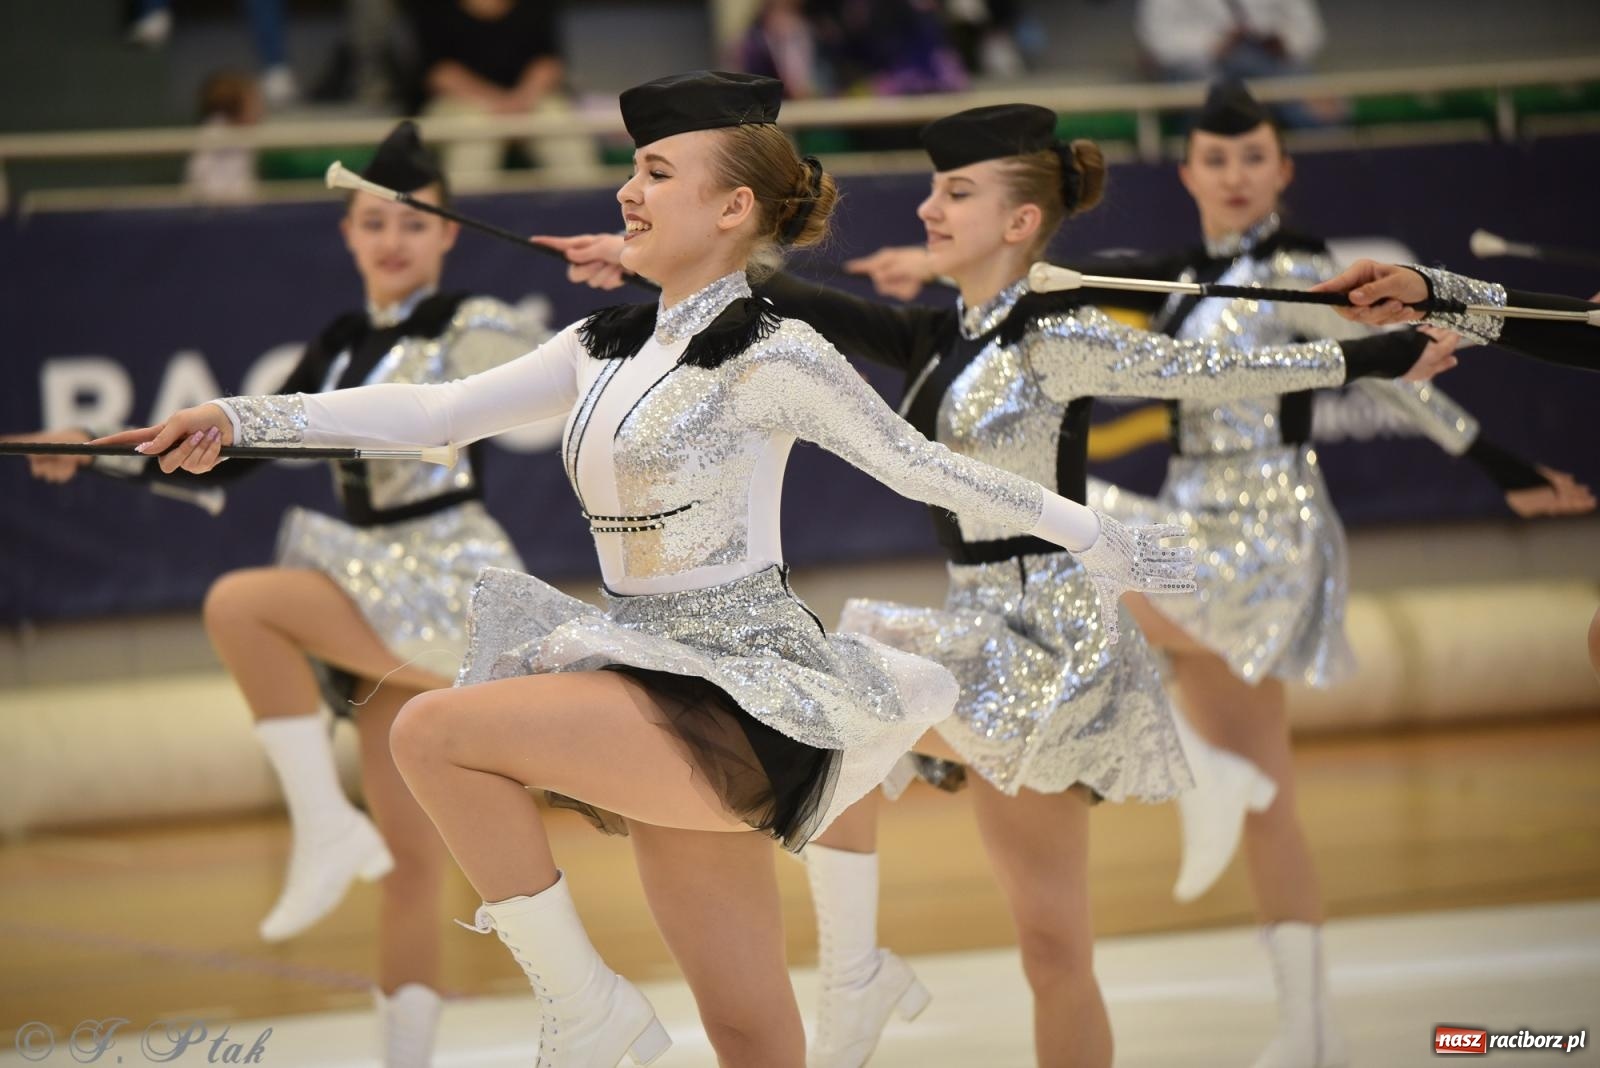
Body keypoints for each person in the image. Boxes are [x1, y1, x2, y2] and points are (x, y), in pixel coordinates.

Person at [98, 72, 1195, 1068]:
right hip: (646, 655)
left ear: (732, 210)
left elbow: (921, 469)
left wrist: (1096, 537)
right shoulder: (601, 342)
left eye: (655, 172)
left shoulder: (776, 353)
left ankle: (583, 1007)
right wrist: (239, 420)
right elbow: (434, 412)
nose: (627, 190)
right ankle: (596, 1010)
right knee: (752, 1029)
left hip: (741, 685)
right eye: (631, 167)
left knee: (436, 730)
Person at [537, 99, 1457, 1068]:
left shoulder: (1053, 335)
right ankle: (873, 965)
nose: (929, 210)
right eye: (934, 189)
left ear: (1019, 224)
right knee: (1051, 944)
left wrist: (1372, 354)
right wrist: (649, 259)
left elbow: (1212, 370)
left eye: (956, 194)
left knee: (843, 697)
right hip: (980, 621)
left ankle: (858, 973)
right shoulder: (942, 338)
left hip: (1050, 636)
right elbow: (781, 303)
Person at [15, 122, 540, 1068]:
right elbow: (225, 460)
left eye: (412, 225)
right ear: (345, 232)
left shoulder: (476, 324)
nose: (391, 240)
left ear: (448, 232)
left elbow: (565, 362)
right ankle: (403, 1053)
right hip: (371, 591)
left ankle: (323, 824)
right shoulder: (337, 343)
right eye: (372, 222)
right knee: (416, 864)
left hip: (446, 579)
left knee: (241, 603)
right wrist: (95, 456)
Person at [412, 0, 598, 184]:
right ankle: (464, 210)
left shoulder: (537, 6)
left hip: (530, 99)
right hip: (459, 102)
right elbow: (438, 72)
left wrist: (523, 99)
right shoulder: (432, 7)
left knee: (558, 123)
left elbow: (548, 62)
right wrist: (495, 103)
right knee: (475, 128)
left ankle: (588, 202)